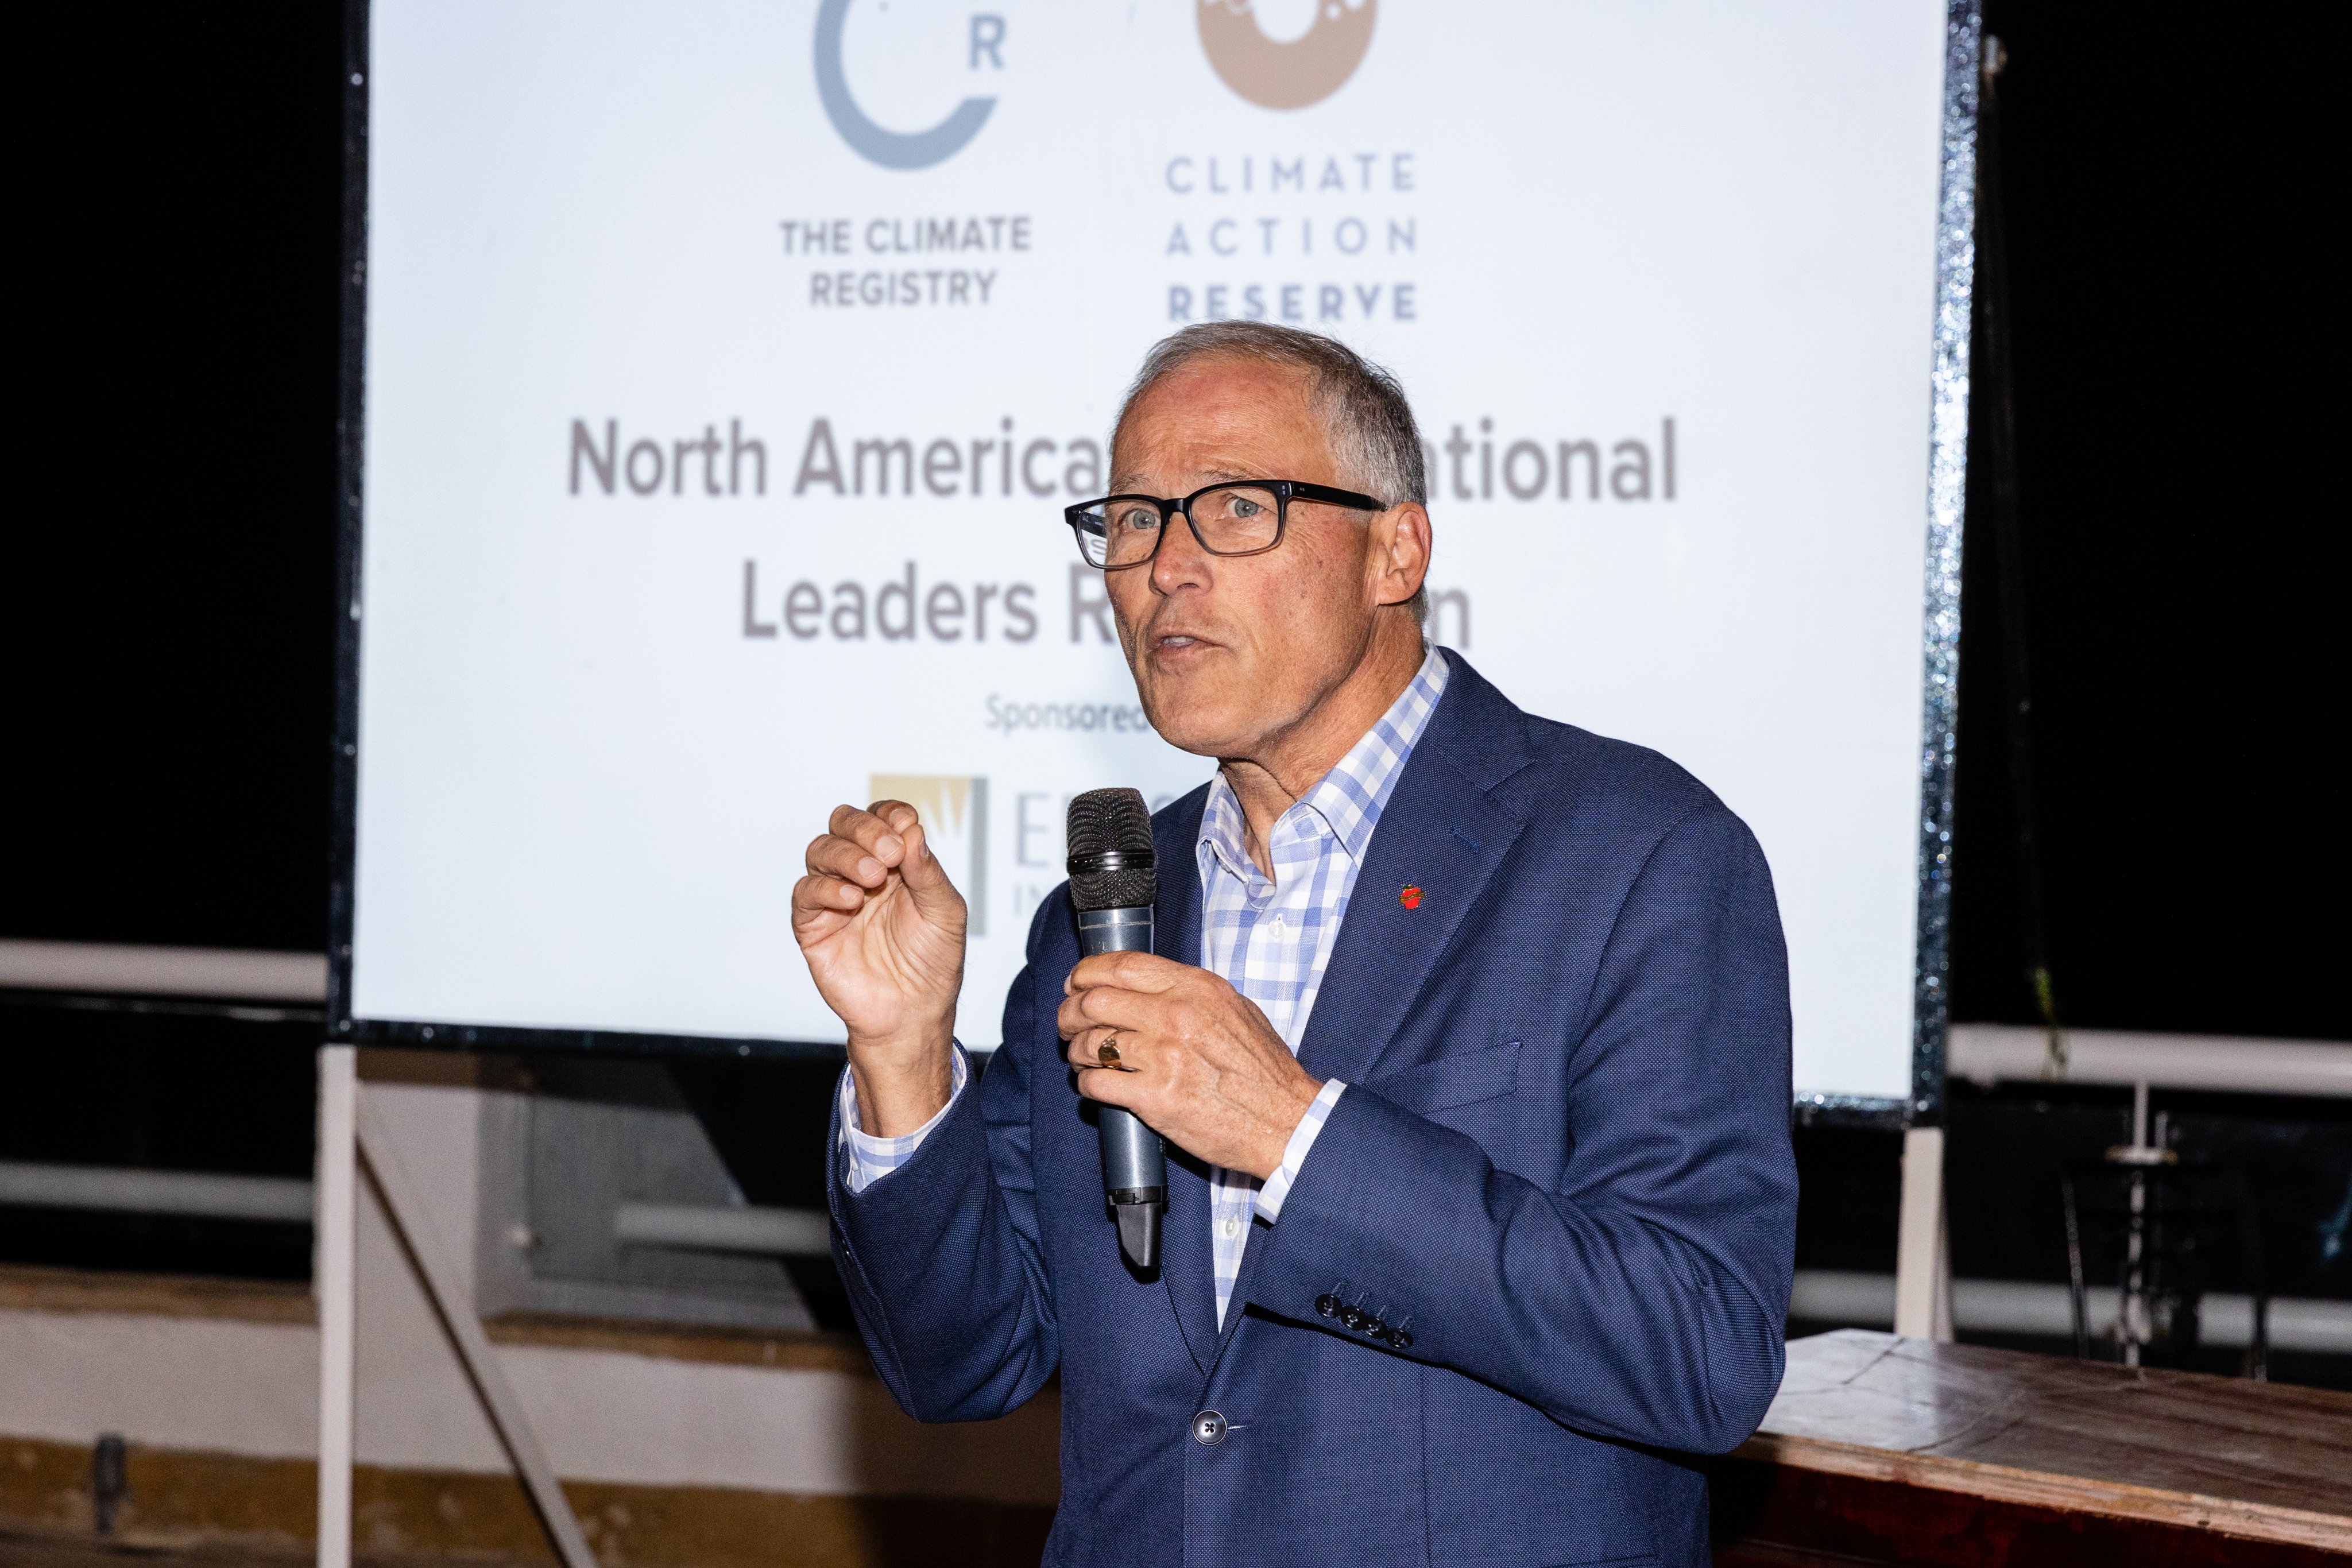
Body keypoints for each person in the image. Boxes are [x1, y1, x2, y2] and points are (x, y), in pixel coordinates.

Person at [792, 322, 1796, 1567]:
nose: (1165, 567)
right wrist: (900, 1060)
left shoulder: (1637, 857)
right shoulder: (1103, 916)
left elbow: (1698, 1351)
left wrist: (1294, 1136)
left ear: (1395, 547)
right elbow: (966, 1359)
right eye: (1133, 520)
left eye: (1232, 508)